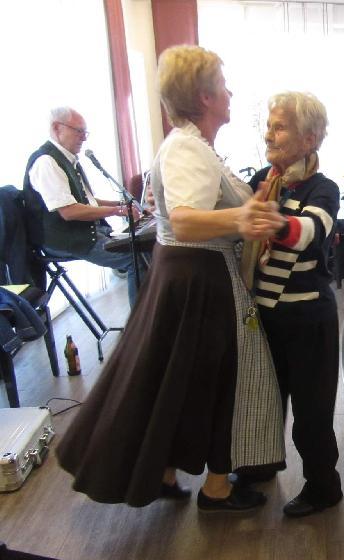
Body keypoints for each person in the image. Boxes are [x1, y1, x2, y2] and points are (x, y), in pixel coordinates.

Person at [57, 45, 285, 512]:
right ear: (204, 97)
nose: (230, 94)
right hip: (199, 277)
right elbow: (184, 220)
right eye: (222, 86)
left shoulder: (191, 146)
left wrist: (248, 202)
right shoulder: (187, 148)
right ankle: (217, 488)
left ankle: (163, 470)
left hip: (186, 275)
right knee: (226, 379)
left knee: (175, 377)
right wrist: (242, 218)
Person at [240, 91, 343, 518]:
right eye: (269, 124)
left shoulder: (325, 188)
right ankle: (263, 464)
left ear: (310, 137)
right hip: (265, 315)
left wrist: (268, 217)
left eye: (280, 126)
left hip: (308, 319)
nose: (269, 133)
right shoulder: (263, 180)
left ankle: (324, 487)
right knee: (265, 399)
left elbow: (307, 234)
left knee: (311, 413)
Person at [23, 107, 142, 307]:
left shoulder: (67, 160)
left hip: (85, 233)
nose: (83, 138)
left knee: (143, 248)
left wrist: (123, 204)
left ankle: (152, 318)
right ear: (56, 128)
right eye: (78, 131)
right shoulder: (46, 162)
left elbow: (88, 201)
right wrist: (117, 210)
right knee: (134, 259)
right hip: (65, 240)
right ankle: (141, 329)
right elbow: (69, 211)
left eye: (85, 132)